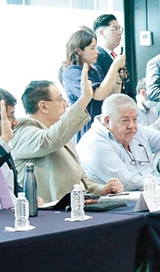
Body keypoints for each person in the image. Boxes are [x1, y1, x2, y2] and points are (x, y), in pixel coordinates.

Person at [10, 68, 123, 201]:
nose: (66, 104)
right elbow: (49, 141)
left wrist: (103, 189)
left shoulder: (60, 133)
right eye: (60, 99)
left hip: (77, 205)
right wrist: (84, 99)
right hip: (49, 210)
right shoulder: (22, 129)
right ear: (43, 106)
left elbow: (80, 177)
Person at [76, 91, 160, 190]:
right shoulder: (94, 143)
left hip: (149, 196)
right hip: (111, 204)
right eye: (125, 121)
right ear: (107, 121)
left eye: (135, 119)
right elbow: (126, 181)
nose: (132, 126)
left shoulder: (138, 131)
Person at [60, 28, 125, 139]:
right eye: (92, 48)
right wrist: (114, 66)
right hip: (86, 127)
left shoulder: (96, 70)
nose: (97, 51)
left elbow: (110, 97)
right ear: (79, 51)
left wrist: (119, 78)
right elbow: (99, 95)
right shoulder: (72, 72)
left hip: (103, 125)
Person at [92, 13, 132, 97]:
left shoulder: (118, 57)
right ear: (102, 33)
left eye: (120, 29)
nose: (120, 33)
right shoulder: (95, 57)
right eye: (115, 29)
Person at [0, 89, 18, 203]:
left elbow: (12, 190)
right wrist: (4, 139)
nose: (15, 122)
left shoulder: (5, 149)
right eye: (11, 116)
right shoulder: (3, 147)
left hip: (13, 211)